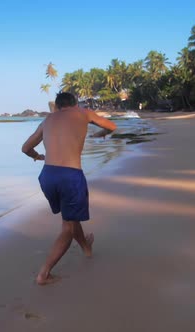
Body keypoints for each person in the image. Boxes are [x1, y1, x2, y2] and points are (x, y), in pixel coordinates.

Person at [21, 92, 117, 285]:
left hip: (47, 176)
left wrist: (39, 156)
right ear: (75, 104)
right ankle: (44, 274)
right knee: (68, 227)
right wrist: (101, 133)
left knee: (70, 217)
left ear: (57, 106)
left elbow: (25, 148)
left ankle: (86, 247)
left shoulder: (47, 120)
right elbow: (111, 126)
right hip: (70, 176)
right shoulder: (83, 113)